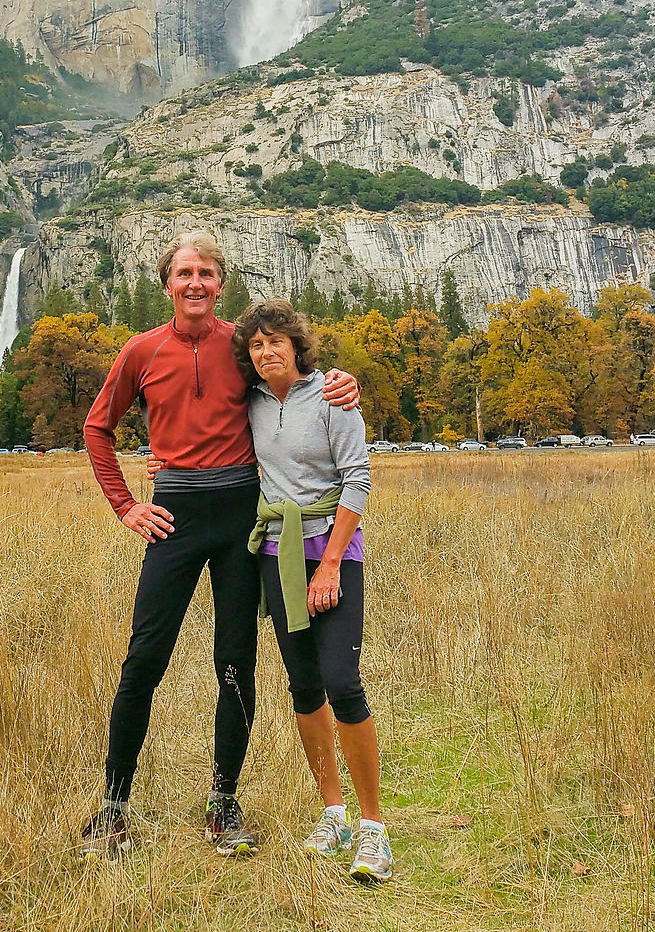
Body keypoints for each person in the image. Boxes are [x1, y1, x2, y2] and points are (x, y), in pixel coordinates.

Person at [80, 232, 359, 858]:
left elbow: (301, 379)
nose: (196, 283)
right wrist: (126, 505)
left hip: (240, 519)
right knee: (144, 660)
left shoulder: (242, 347)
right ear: (167, 283)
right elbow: (97, 428)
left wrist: (344, 382)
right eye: (185, 273)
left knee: (236, 660)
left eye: (207, 272)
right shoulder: (140, 351)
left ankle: (223, 802)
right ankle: (114, 806)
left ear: (220, 282)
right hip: (174, 517)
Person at [234, 298, 393, 883]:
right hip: (276, 555)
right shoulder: (249, 403)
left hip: (331, 549)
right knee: (303, 685)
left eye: (276, 340)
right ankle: (334, 813)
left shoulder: (331, 396)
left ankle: (374, 828)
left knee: (342, 682)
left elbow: (358, 480)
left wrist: (329, 567)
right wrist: (163, 468)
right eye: (256, 344)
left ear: (296, 346)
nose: (267, 350)